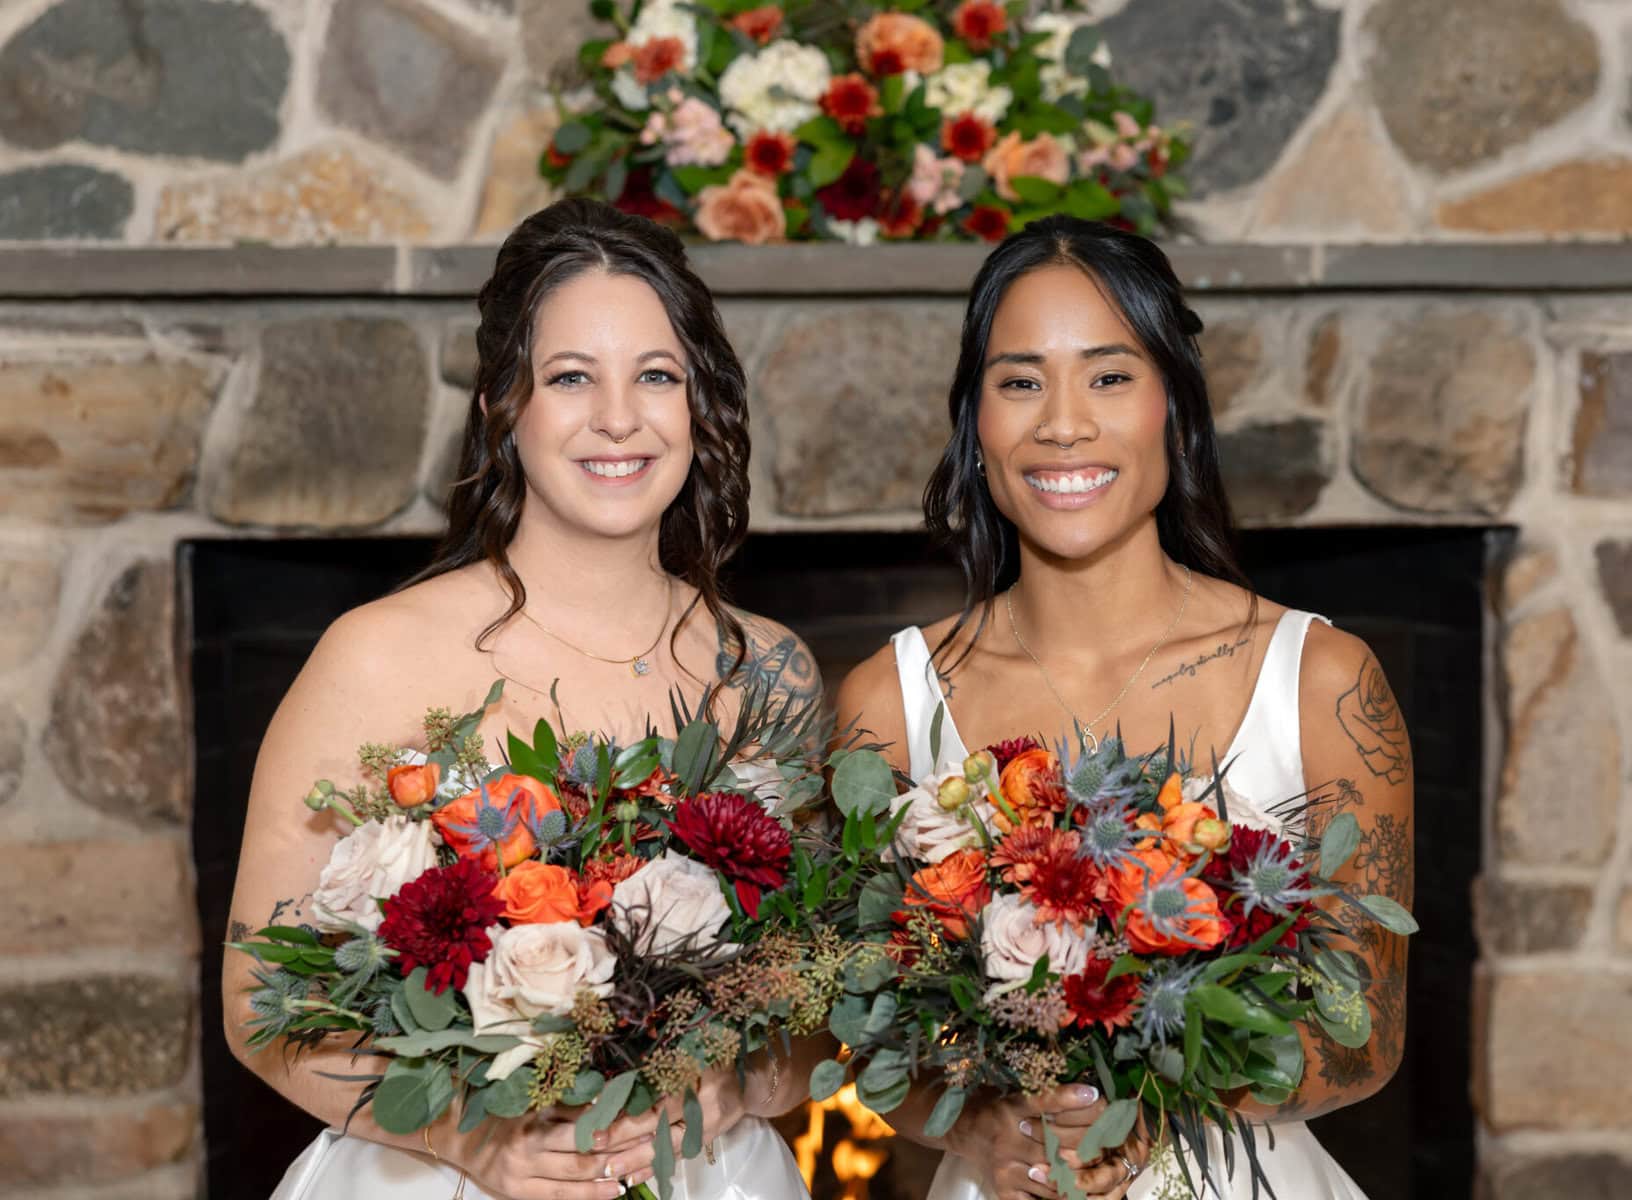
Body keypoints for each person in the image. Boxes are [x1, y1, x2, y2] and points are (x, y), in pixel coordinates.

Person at [226, 198, 823, 1200]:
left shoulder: (770, 672)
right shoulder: (378, 656)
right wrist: (470, 1139)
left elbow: (820, 1002)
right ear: (509, 405)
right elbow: (258, 1001)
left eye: (656, 376)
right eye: (572, 378)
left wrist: (731, 1089)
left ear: (699, 405)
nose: (619, 418)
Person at [835, 215, 1414, 1200]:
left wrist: (1150, 1099)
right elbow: (863, 1039)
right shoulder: (885, 702)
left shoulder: (1322, 681)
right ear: (977, 425)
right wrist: (985, 1124)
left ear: (1174, 411)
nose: (1063, 423)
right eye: (1020, 382)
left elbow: (1370, 1038)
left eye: (1109, 376)